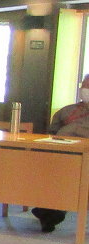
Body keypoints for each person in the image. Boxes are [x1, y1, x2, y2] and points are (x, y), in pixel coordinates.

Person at [30, 73, 89, 232]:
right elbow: (51, 132)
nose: (85, 89)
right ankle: (48, 210)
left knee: (69, 173)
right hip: (62, 153)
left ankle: (51, 211)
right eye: (84, 86)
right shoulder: (67, 111)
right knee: (50, 169)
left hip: (84, 157)